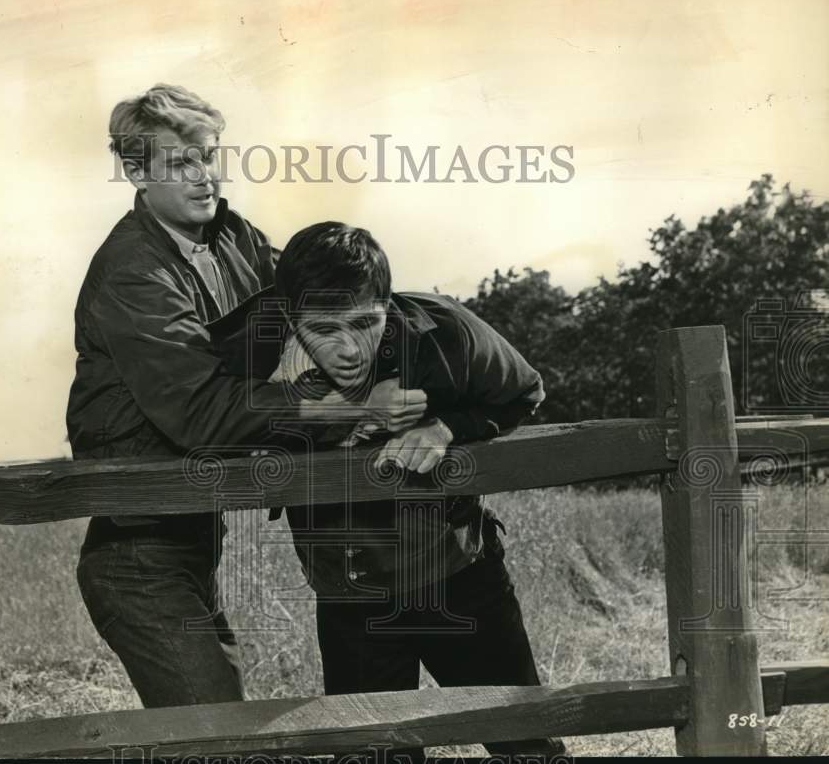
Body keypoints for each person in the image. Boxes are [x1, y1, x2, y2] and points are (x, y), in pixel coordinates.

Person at [66, 87, 424, 710]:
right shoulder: (134, 271)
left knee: (218, 726)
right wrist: (354, 410)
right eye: (180, 164)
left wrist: (425, 351)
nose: (204, 177)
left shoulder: (234, 237)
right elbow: (201, 413)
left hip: (194, 536)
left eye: (209, 156)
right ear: (136, 172)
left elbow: (321, 302)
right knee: (213, 733)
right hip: (137, 552)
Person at [207, 222, 566, 758]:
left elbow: (523, 391)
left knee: (528, 745)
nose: (349, 349)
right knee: (373, 754)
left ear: (386, 302)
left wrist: (446, 428)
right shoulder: (246, 356)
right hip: (350, 597)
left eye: (364, 323)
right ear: (289, 317)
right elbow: (199, 420)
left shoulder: (444, 331)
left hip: (458, 577)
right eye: (325, 329)